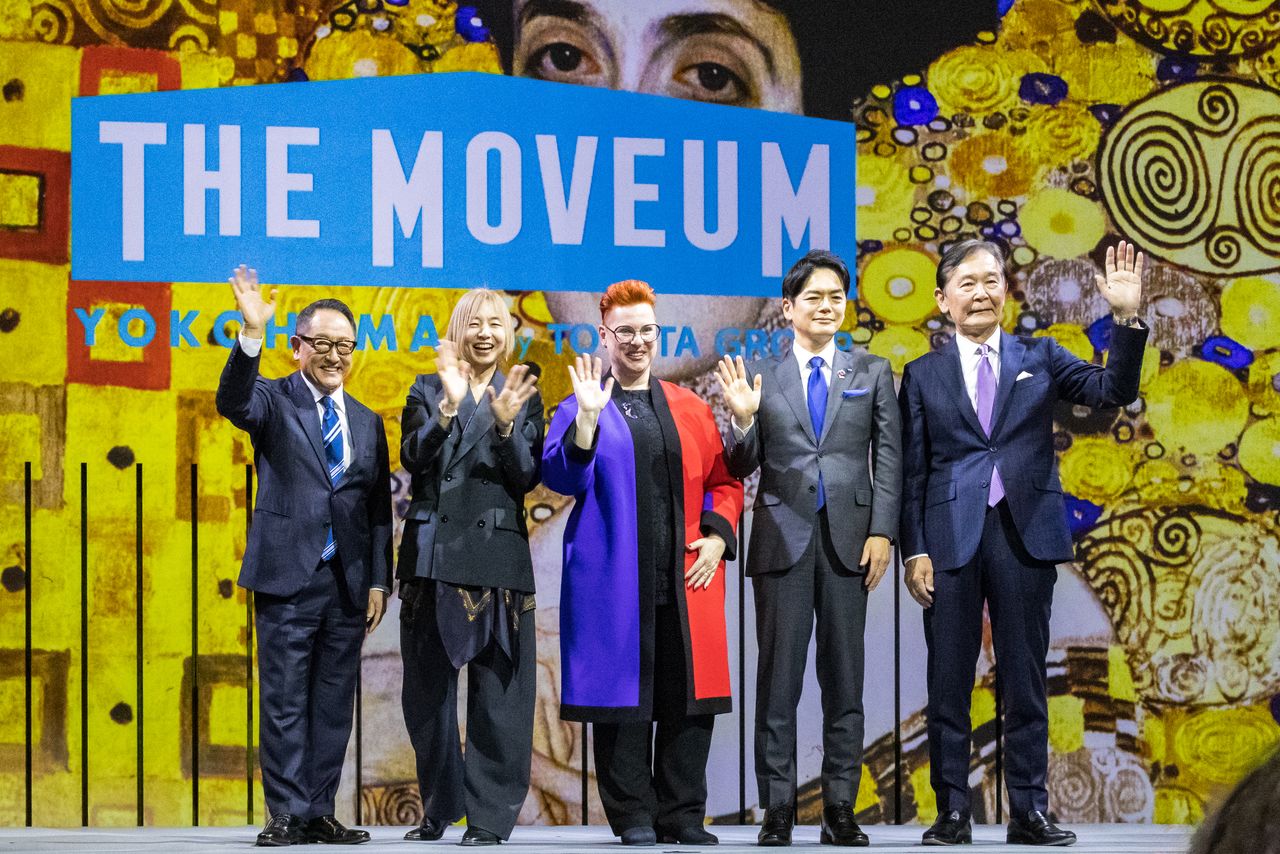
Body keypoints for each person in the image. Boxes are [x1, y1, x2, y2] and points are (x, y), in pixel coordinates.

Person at [898, 239, 1150, 847]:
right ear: (943, 300)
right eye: (967, 283)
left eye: (991, 281)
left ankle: (1029, 811)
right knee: (948, 681)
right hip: (950, 539)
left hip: (1025, 534)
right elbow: (911, 473)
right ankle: (952, 812)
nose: (981, 293)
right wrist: (915, 550)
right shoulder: (922, 374)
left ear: (1005, 292)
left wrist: (1125, 319)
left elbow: (1112, 390)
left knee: (1025, 678)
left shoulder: (1041, 355)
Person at [542, 280, 744, 846]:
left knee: (687, 702)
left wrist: (717, 536)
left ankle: (683, 815)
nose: (636, 340)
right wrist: (586, 422)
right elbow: (560, 477)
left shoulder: (690, 407)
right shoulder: (581, 404)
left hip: (686, 580)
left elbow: (724, 482)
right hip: (614, 583)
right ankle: (632, 815)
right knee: (621, 703)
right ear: (604, 336)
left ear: (659, 334)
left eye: (646, 330)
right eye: (624, 331)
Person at [717, 249, 902, 847]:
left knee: (845, 680)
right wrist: (742, 422)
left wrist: (883, 531)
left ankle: (839, 808)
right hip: (781, 540)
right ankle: (777, 810)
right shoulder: (760, 375)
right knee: (778, 682)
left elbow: (890, 458)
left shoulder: (871, 371)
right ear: (789, 307)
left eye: (836, 298)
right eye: (814, 297)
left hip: (852, 542)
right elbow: (740, 464)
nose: (827, 306)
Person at [216, 266, 392, 847]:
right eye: (322, 343)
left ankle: (318, 811)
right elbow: (232, 400)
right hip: (288, 577)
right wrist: (250, 334)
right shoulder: (273, 399)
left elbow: (376, 510)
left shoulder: (366, 420)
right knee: (285, 701)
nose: (335, 355)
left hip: (347, 583)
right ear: (297, 347)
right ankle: (286, 813)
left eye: (345, 346)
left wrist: (378, 583)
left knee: (333, 704)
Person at [396, 289, 544, 846]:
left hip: (498, 560)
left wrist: (504, 427)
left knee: (501, 698)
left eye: (495, 324)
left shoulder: (521, 392)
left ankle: (489, 818)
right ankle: (439, 807)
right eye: (474, 323)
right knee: (427, 699)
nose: (485, 333)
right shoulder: (426, 387)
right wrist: (448, 409)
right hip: (432, 558)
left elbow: (526, 477)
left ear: (508, 333)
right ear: (458, 330)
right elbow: (413, 457)